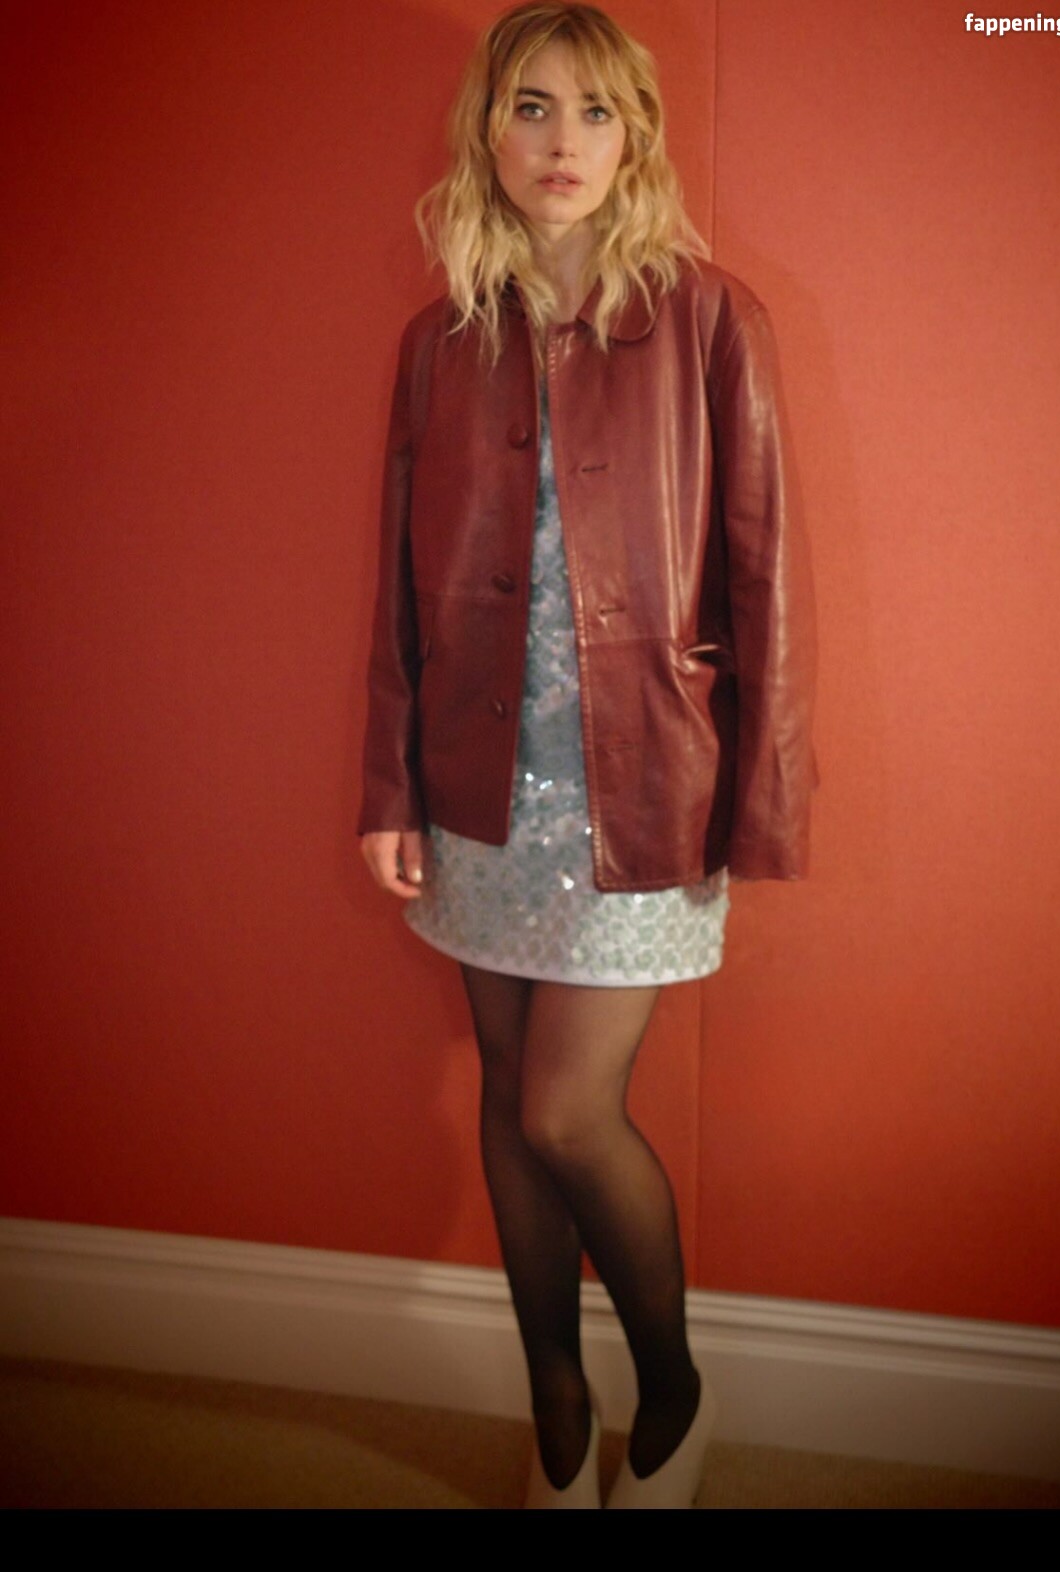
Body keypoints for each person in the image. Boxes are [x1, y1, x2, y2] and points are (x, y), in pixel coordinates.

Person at [359, 2, 816, 1509]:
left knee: (567, 1111)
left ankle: (673, 1387)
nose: (564, 141)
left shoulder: (709, 318)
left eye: (597, 111)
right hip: (476, 789)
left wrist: (760, 802)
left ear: (637, 139)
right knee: (506, 1097)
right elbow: (397, 587)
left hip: (644, 791)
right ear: (488, 133)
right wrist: (388, 788)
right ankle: (557, 1396)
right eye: (533, 107)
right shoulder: (439, 344)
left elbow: (769, 574)